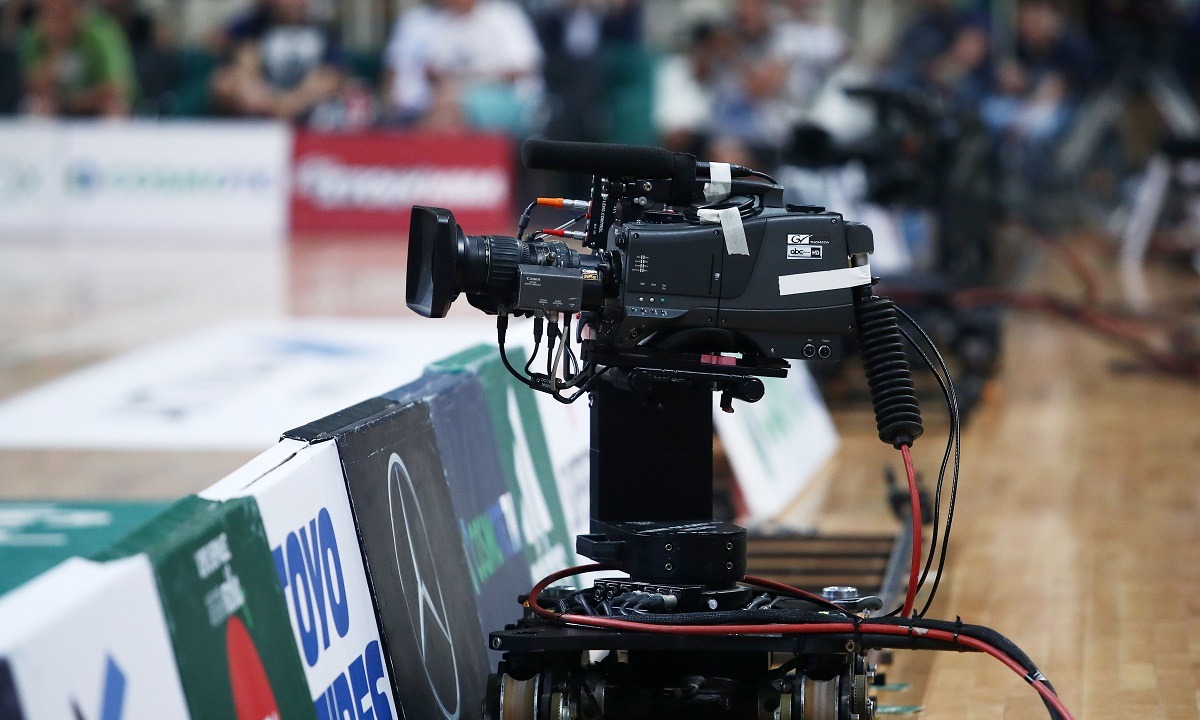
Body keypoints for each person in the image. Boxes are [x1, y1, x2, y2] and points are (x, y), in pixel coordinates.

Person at [382, 0, 543, 134]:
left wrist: (467, 83)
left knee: (451, 104)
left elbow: (522, 69)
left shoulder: (504, 16)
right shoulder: (443, 23)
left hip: (514, 101)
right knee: (445, 103)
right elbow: (434, 71)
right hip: (451, 100)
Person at [209, 0, 349, 123]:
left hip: (308, 110)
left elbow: (332, 77)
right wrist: (270, 103)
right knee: (225, 82)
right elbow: (218, 46)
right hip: (259, 108)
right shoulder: (253, 25)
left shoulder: (325, 30)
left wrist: (290, 104)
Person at [19, 0, 136, 116]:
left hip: (95, 106)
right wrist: (57, 50)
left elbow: (118, 87)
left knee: (113, 109)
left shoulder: (100, 33)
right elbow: (30, 87)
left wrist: (77, 102)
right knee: (37, 105)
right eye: (49, 11)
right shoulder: (36, 35)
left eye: (62, 11)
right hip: (60, 107)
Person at [887, 0, 990, 108]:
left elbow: (969, 54)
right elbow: (898, 55)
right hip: (917, 82)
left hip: (962, 88)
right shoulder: (924, 22)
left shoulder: (970, 17)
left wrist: (938, 69)